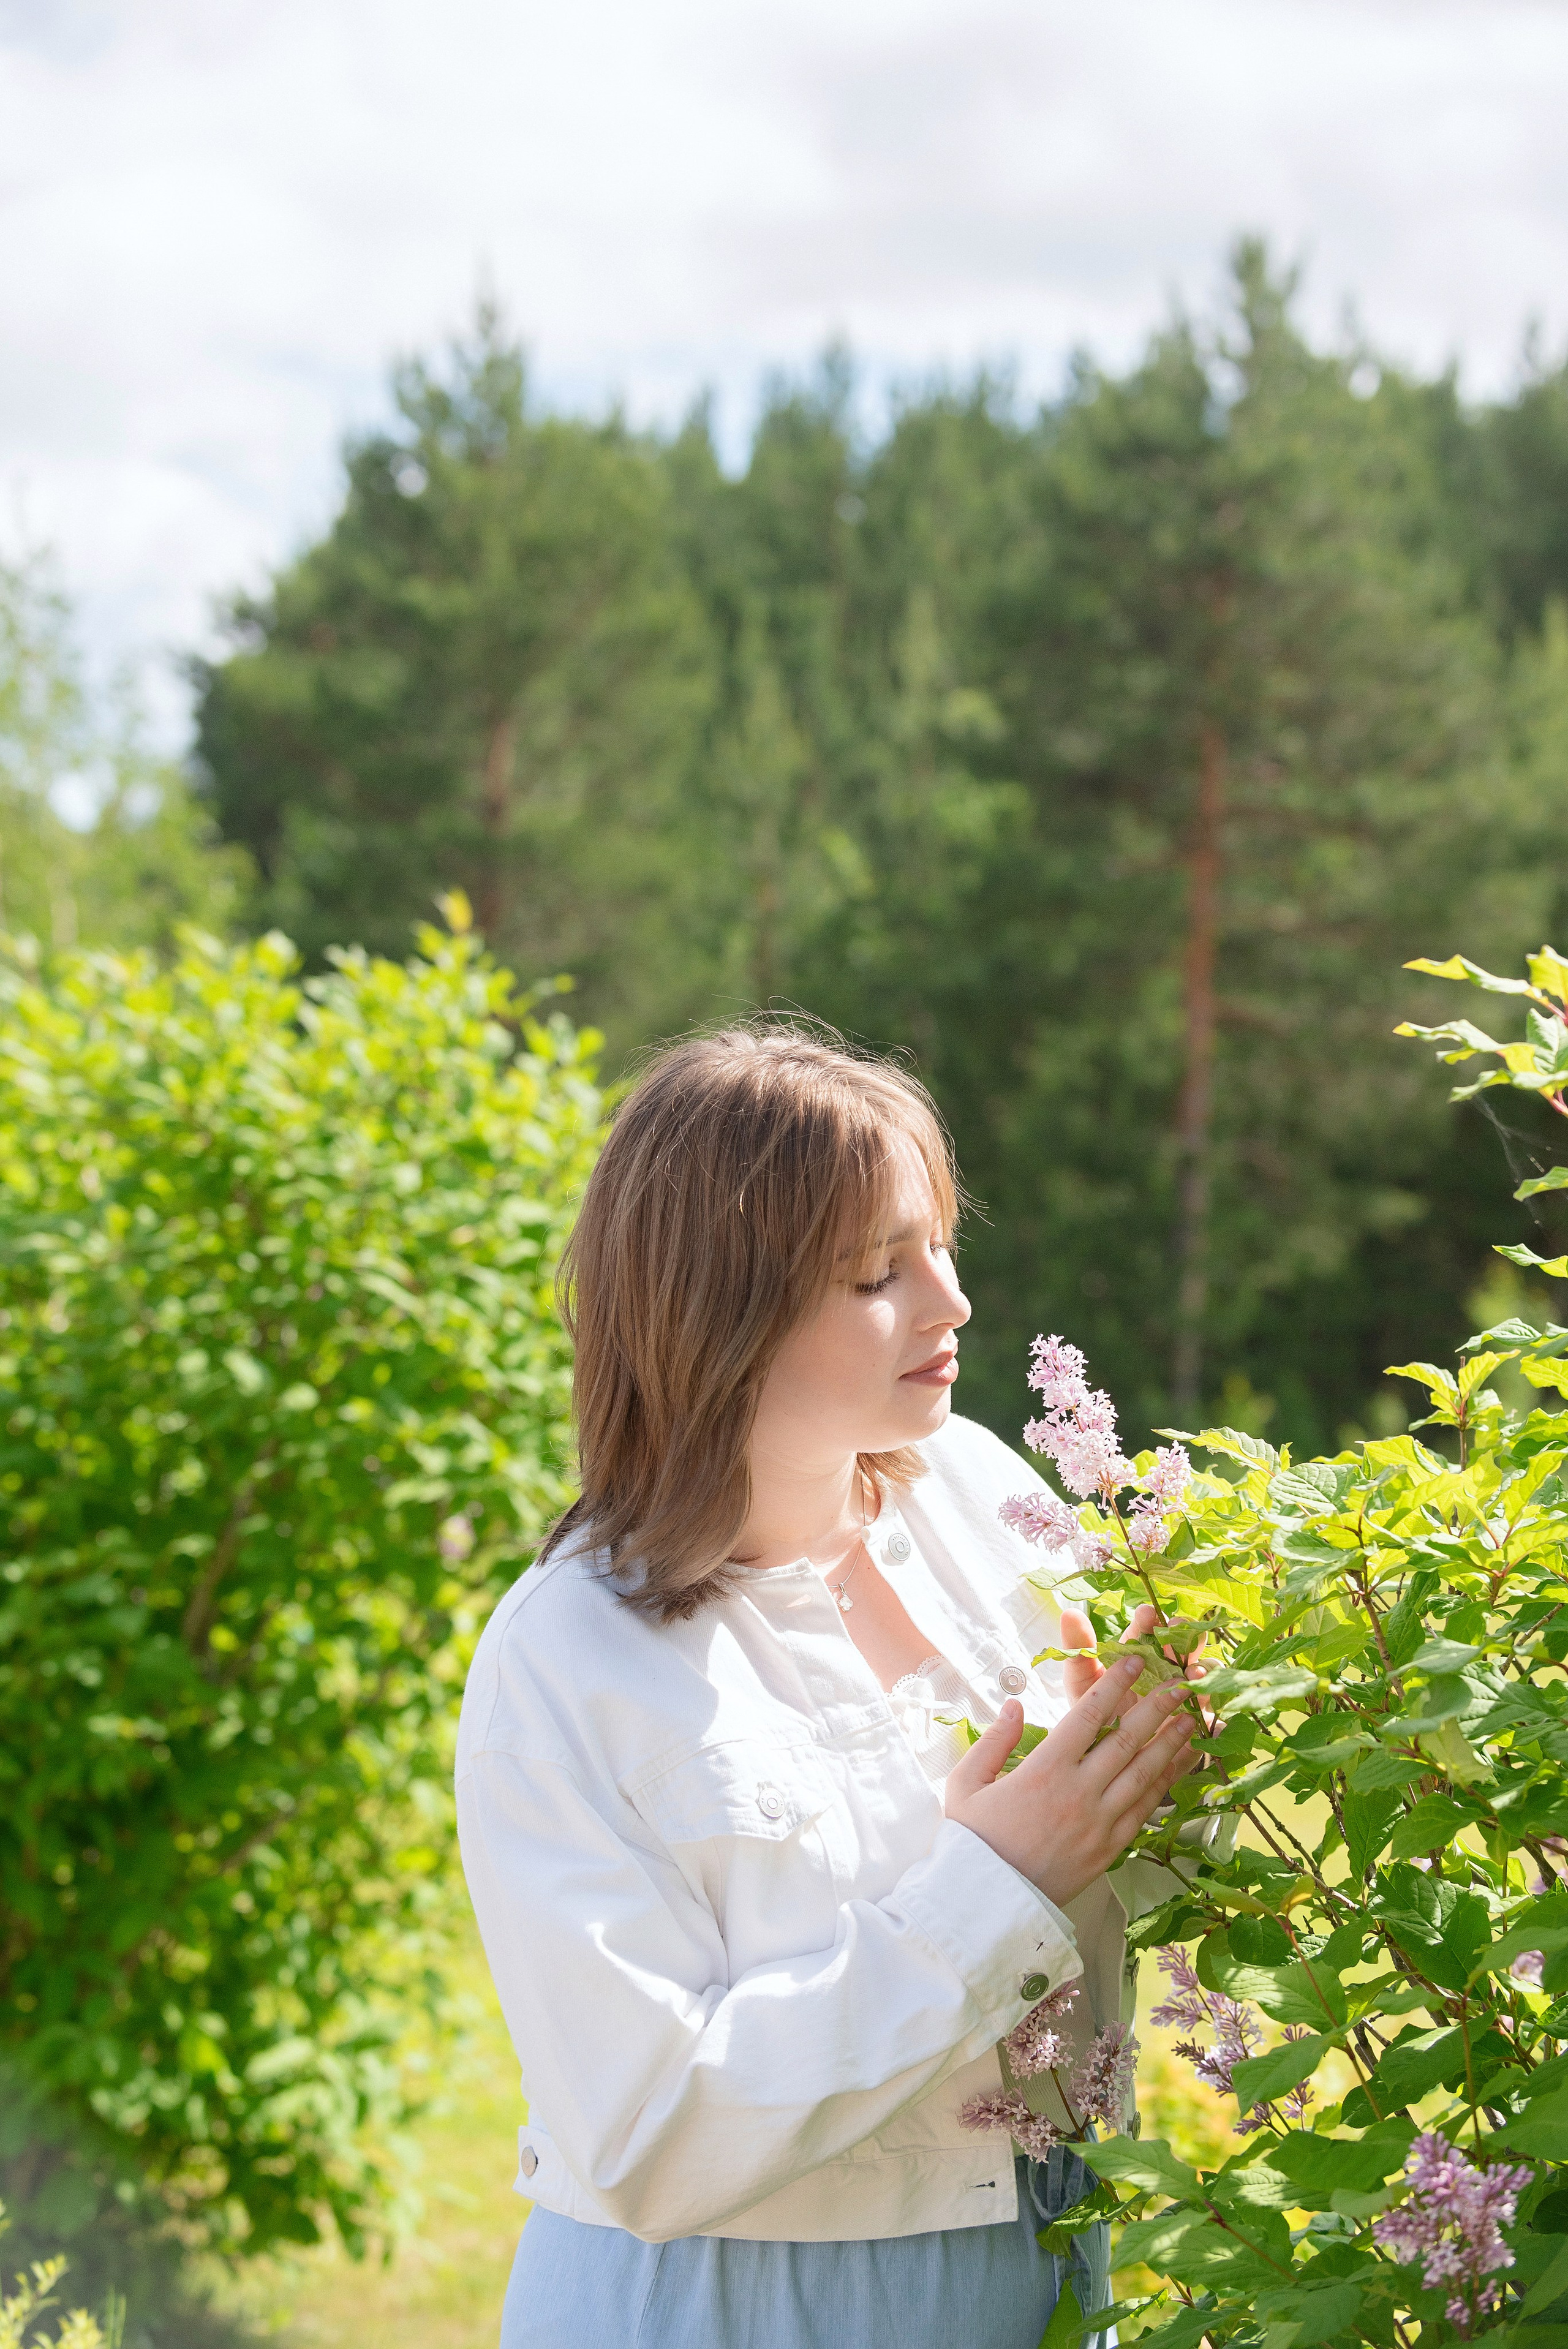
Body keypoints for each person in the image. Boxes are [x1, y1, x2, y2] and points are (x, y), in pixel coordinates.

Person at [456, 1025, 1197, 2349]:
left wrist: (1176, 1761)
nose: (949, 1302)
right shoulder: (567, 1660)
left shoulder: (981, 1494)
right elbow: (642, 2131)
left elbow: (1133, 1880)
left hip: (1047, 2263)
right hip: (733, 2308)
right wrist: (993, 1887)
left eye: (937, 1244)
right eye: (877, 1272)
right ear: (719, 1315)